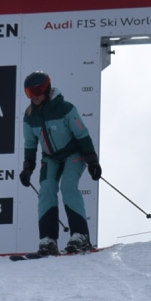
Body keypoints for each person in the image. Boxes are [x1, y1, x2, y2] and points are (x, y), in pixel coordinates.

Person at [19, 71, 102, 255]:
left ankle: (80, 236)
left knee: (68, 186)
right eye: (29, 92)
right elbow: (30, 143)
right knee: (46, 189)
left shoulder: (65, 108)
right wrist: (27, 169)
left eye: (37, 91)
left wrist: (92, 162)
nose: (34, 96)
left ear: (47, 89)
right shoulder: (30, 116)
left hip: (74, 153)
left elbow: (82, 134)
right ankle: (48, 240)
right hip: (50, 158)